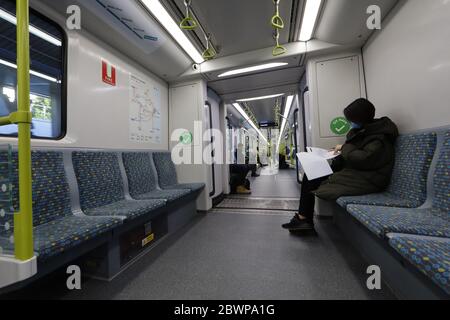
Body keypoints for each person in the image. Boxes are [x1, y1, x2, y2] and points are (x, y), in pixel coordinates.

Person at [283, 98, 399, 232]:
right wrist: (336, 154)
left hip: (368, 179)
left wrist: (344, 148)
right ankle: (304, 219)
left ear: (360, 118)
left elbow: (364, 159)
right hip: (356, 173)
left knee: (313, 179)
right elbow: (353, 153)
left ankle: (303, 220)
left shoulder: (380, 137)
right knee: (310, 174)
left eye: (351, 120)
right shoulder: (363, 131)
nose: (350, 123)